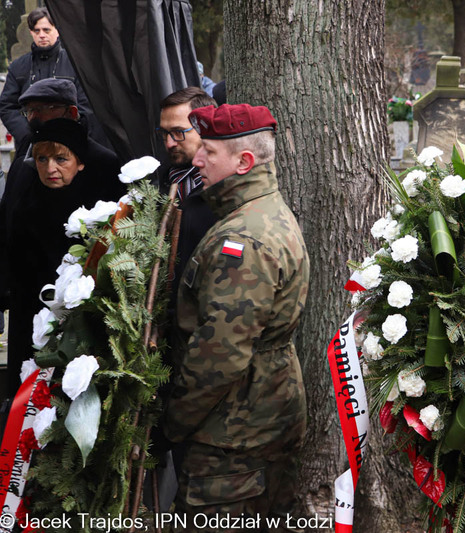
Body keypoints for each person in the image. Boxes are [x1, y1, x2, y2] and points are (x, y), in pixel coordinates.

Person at [163, 103, 309, 529]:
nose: (196, 158)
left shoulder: (243, 238)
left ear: (244, 162)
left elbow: (220, 355)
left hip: (232, 432)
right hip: (253, 418)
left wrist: (173, 421)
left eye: (208, 150)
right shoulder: (255, 214)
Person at [0, 118, 123, 397]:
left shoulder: (97, 206)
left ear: (80, 162)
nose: (50, 168)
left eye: (60, 159)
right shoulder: (25, 193)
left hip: (76, 320)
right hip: (27, 314)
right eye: (41, 159)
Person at [0, 7, 106, 152]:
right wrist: (27, 133)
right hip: (29, 144)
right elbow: (7, 106)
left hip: (69, 143)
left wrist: (62, 132)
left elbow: (86, 105)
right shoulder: (18, 67)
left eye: (46, 30)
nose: (41, 35)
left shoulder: (75, 64)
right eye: (37, 31)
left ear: (57, 30)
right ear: (31, 32)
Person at [156, 87, 219, 288]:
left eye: (178, 132)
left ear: (205, 127)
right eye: (165, 133)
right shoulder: (157, 183)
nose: (170, 143)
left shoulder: (223, 189)